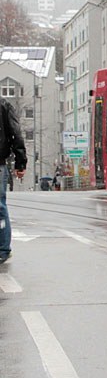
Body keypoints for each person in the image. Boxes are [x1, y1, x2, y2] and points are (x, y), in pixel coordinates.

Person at [0, 98, 27, 264]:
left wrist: (20, 162)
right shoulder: (3, 105)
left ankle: (3, 249)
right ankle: (2, 249)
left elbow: (15, 134)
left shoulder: (3, 105)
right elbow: (15, 133)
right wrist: (20, 162)